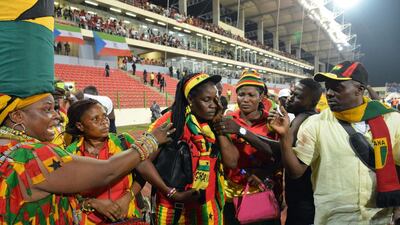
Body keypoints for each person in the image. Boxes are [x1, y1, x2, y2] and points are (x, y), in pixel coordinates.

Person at [268, 61, 400, 225]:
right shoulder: (315, 123)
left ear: (360, 90)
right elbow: (296, 172)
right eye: (327, 87)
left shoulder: (391, 119)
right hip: (333, 219)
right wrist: (284, 137)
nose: (329, 93)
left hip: (380, 217)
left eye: (337, 88)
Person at [65, 99, 194, 224]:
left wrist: (127, 198)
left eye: (104, 116)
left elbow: (143, 171)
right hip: (89, 220)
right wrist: (93, 203)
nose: (104, 122)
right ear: (80, 126)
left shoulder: (123, 141)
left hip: (128, 217)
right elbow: (68, 193)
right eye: (95, 119)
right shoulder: (70, 154)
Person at [148, 73, 239, 224]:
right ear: (190, 99)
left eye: (215, 98)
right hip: (173, 209)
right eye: (206, 100)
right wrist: (172, 193)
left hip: (209, 209)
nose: (213, 105)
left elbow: (232, 162)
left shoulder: (215, 123)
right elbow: (142, 161)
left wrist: (218, 125)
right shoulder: (171, 121)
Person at [214, 70, 282, 225]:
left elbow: (282, 155)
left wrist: (265, 172)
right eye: (241, 94)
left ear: (261, 97)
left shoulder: (272, 122)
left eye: (251, 95)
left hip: (263, 192)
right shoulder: (228, 119)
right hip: (231, 195)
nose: (245, 99)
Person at [283, 78, 322, 225]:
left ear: (312, 103)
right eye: (292, 93)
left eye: (298, 96)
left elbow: (280, 149)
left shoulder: (305, 119)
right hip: (300, 198)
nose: (290, 98)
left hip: (304, 200)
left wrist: (243, 132)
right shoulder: (302, 117)